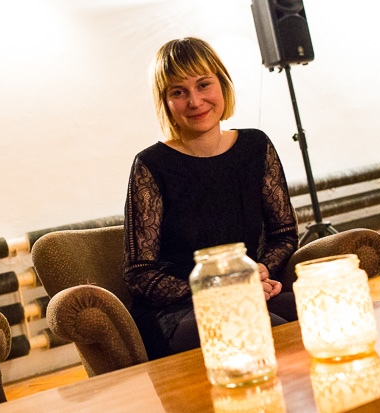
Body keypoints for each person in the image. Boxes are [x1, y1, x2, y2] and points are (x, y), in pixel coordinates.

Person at [123, 37, 299, 360]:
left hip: (247, 293)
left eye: (203, 84)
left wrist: (257, 272)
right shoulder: (150, 165)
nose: (195, 101)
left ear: (222, 84)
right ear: (165, 102)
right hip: (179, 310)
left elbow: (284, 233)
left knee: (315, 310)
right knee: (264, 329)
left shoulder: (256, 146)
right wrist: (225, 289)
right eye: (178, 92)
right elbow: (140, 274)